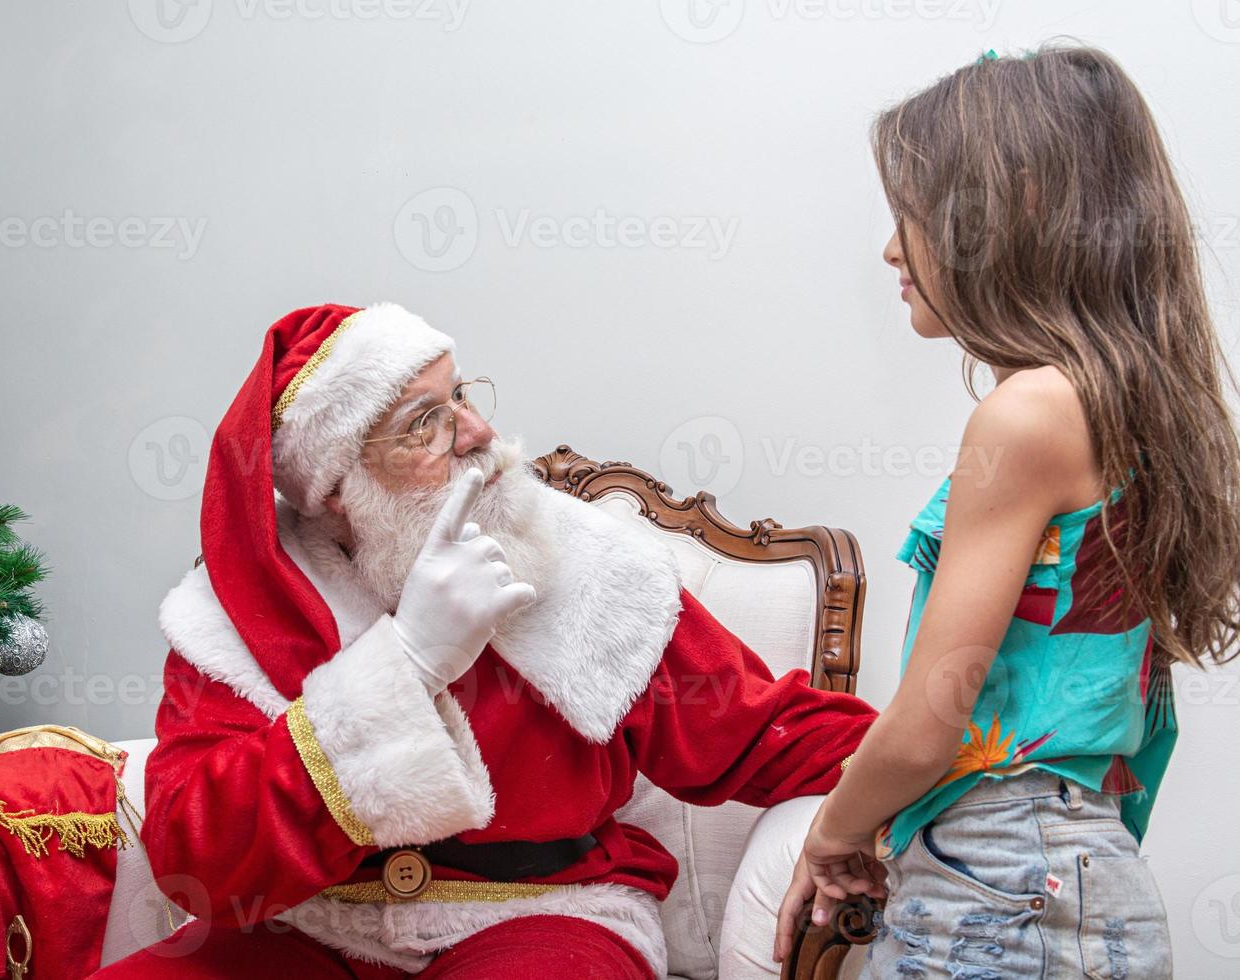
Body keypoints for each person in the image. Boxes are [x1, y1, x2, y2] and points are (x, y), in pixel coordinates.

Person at [93, 301, 876, 979]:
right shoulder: (239, 616)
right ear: (335, 493)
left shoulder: (583, 565)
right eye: (423, 423)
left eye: (460, 394)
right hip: (313, 928)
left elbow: (761, 733)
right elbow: (196, 858)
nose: (479, 432)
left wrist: (942, 758)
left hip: (545, 913)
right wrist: (406, 662)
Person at [774, 43, 1240, 979]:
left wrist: (831, 831)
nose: (891, 248)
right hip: (1074, 875)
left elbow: (931, 716)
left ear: (1009, 209)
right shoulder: (1122, 405)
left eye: (910, 211)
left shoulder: (1028, 414)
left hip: (1000, 880)